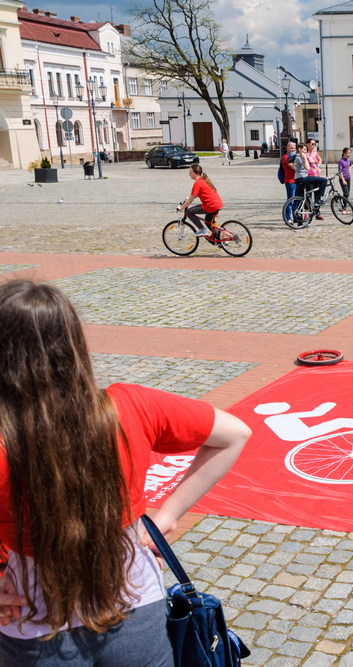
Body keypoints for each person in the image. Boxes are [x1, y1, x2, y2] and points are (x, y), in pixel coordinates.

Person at [0, 280, 249, 664]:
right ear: (73, 346)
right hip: (134, 604)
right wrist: (167, 515)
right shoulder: (129, 406)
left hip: (33, 622)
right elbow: (234, 434)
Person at [177, 164, 222, 237]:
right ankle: (220, 240)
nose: (189, 174)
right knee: (208, 222)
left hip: (210, 205)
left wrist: (181, 208)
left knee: (189, 212)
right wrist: (189, 198)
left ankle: (202, 230)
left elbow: (190, 201)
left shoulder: (197, 183)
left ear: (195, 173)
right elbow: (199, 194)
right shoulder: (204, 180)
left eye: (190, 172)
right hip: (217, 204)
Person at [293, 143, 327, 220]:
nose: (305, 151)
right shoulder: (299, 157)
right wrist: (305, 158)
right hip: (302, 178)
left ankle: (301, 219)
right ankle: (319, 199)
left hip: (300, 178)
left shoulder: (300, 157)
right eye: (304, 149)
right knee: (324, 180)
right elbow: (307, 168)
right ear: (299, 149)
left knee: (303, 197)